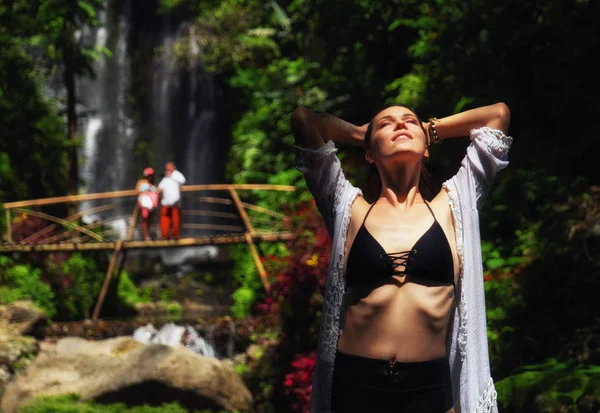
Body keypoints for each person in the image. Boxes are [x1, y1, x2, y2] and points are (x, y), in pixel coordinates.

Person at [291, 102, 512, 413]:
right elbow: (304, 120)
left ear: (426, 148)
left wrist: (430, 129)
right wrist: (361, 133)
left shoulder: (454, 206)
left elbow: (497, 115)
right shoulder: (348, 208)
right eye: (386, 124)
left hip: (428, 388)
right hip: (356, 385)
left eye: (409, 121)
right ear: (369, 153)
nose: (400, 125)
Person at [158, 161, 186, 240]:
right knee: (164, 219)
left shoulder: (177, 174)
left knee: (175, 220)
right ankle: (165, 236)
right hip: (166, 202)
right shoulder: (166, 177)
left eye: (169, 167)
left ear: (173, 167)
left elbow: (183, 180)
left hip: (174, 202)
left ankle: (175, 236)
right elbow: (160, 187)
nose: (167, 169)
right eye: (166, 168)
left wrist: (172, 176)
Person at [135, 167, 159, 241]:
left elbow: (157, 193)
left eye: (151, 175)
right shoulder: (141, 182)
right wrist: (145, 192)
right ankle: (146, 236)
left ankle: (148, 235)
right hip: (144, 203)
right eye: (148, 175)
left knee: (150, 220)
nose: (150, 177)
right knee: (144, 219)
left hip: (151, 205)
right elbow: (136, 192)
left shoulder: (154, 185)